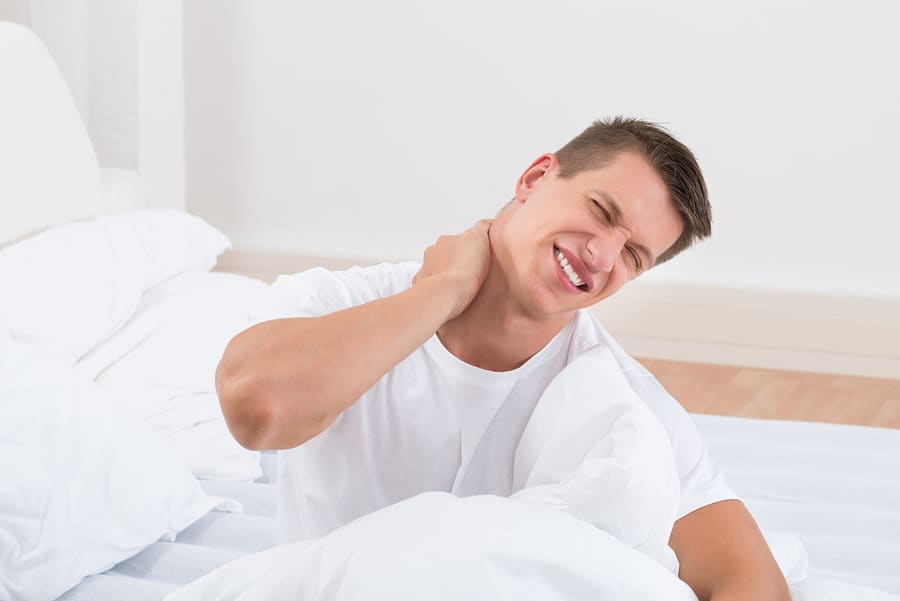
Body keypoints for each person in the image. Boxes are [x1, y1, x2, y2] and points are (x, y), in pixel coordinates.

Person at [216, 117, 791, 601]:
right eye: (601, 210)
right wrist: (438, 294)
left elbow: (750, 581)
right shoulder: (339, 304)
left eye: (634, 255)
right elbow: (257, 410)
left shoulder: (623, 405)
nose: (602, 253)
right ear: (535, 177)